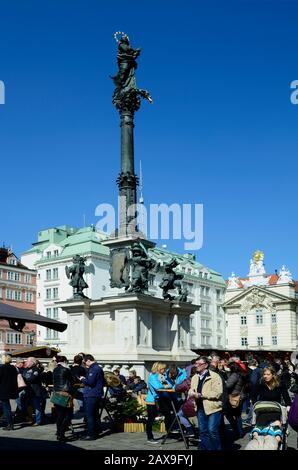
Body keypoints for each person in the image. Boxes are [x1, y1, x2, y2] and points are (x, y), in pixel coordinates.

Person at [189, 356, 223, 450]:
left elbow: (217, 393)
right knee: (203, 431)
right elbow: (192, 390)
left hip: (213, 407)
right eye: (196, 364)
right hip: (200, 407)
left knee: (212, 430)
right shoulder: (195, 377)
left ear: (206, 365)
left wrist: (201, 395)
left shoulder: (214, 376)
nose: (197, 366)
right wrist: (191, 393)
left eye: (199, 364)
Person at [145, 362, 172, 444]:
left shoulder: (161, 376)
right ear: (158, 369)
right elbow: (157, 387)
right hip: (152, 401)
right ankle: (149, 437)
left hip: (160, 399)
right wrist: (165, 385)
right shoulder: (153, 377)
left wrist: (165, 384)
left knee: (168, 414)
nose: (165, 370)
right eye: (163, 368)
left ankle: (169, 433)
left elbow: (170, 384)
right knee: (151, 419)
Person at [79, 354, 104, 440]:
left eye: (85, 362)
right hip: (95, 394)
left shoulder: (94, 368)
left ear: (88, 360)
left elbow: (90, 382)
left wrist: (82, 379)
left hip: (91, 394)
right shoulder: (97, 368)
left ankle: (91, 434)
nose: (85, 364)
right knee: (95, 414)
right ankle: (96, 432)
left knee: (90, 415)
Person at [52, 356, 75, 442]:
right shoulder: (66, 369)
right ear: (65, 361)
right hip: (65, 393)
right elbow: (72, 380)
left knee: (60, 415)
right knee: (68, 415)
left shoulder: (55, 369)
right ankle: (61, 434)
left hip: (57, 392)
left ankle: (58, 433)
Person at [0, 354, 18, 430]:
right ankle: (10, 423)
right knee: (7, 406)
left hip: (3, 390)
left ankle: (10, 424)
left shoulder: (2, 368)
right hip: (10, 389)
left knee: (6, 407)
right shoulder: (13, 368)